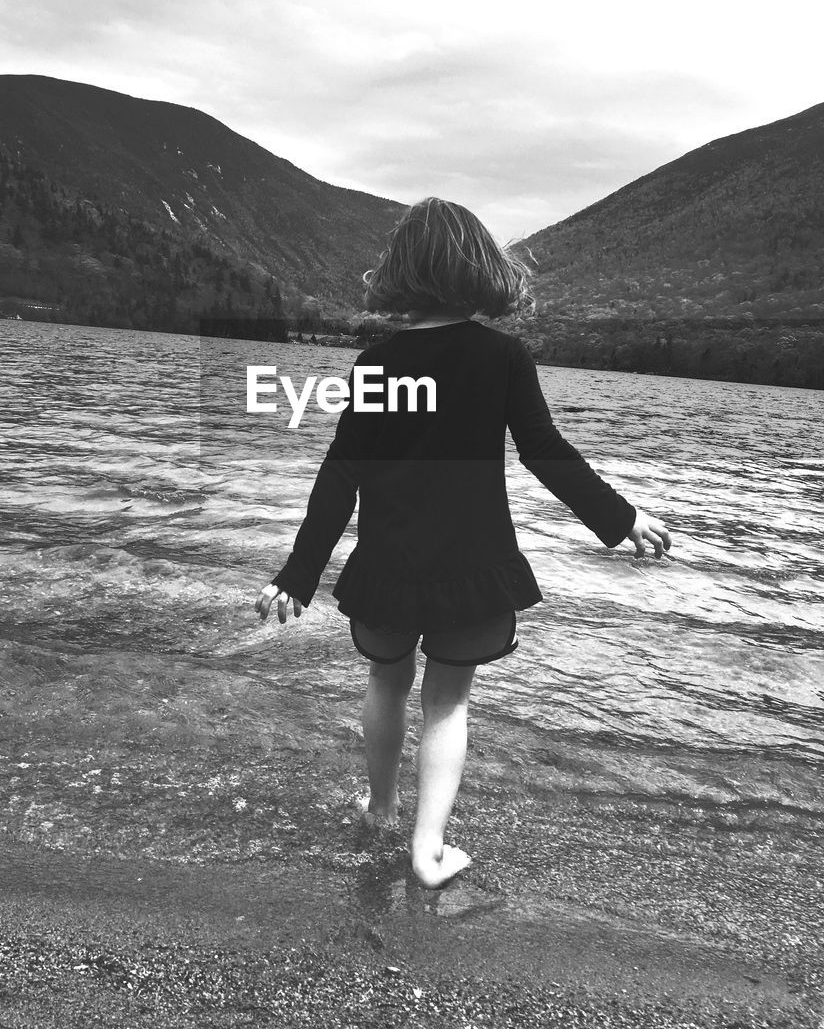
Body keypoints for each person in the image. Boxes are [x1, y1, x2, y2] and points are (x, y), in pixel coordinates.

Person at [255, 197, 670, 889]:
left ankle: (382, 810)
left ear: (400, 272)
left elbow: (342, 473)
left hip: (386, 568)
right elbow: (545, 452)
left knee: (386, 681)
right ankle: (428, 849)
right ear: (480, 267)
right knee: (447, 702)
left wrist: (300, 573)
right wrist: (620, 518)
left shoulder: (376, 363)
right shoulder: (504, 357)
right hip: (471, 571)